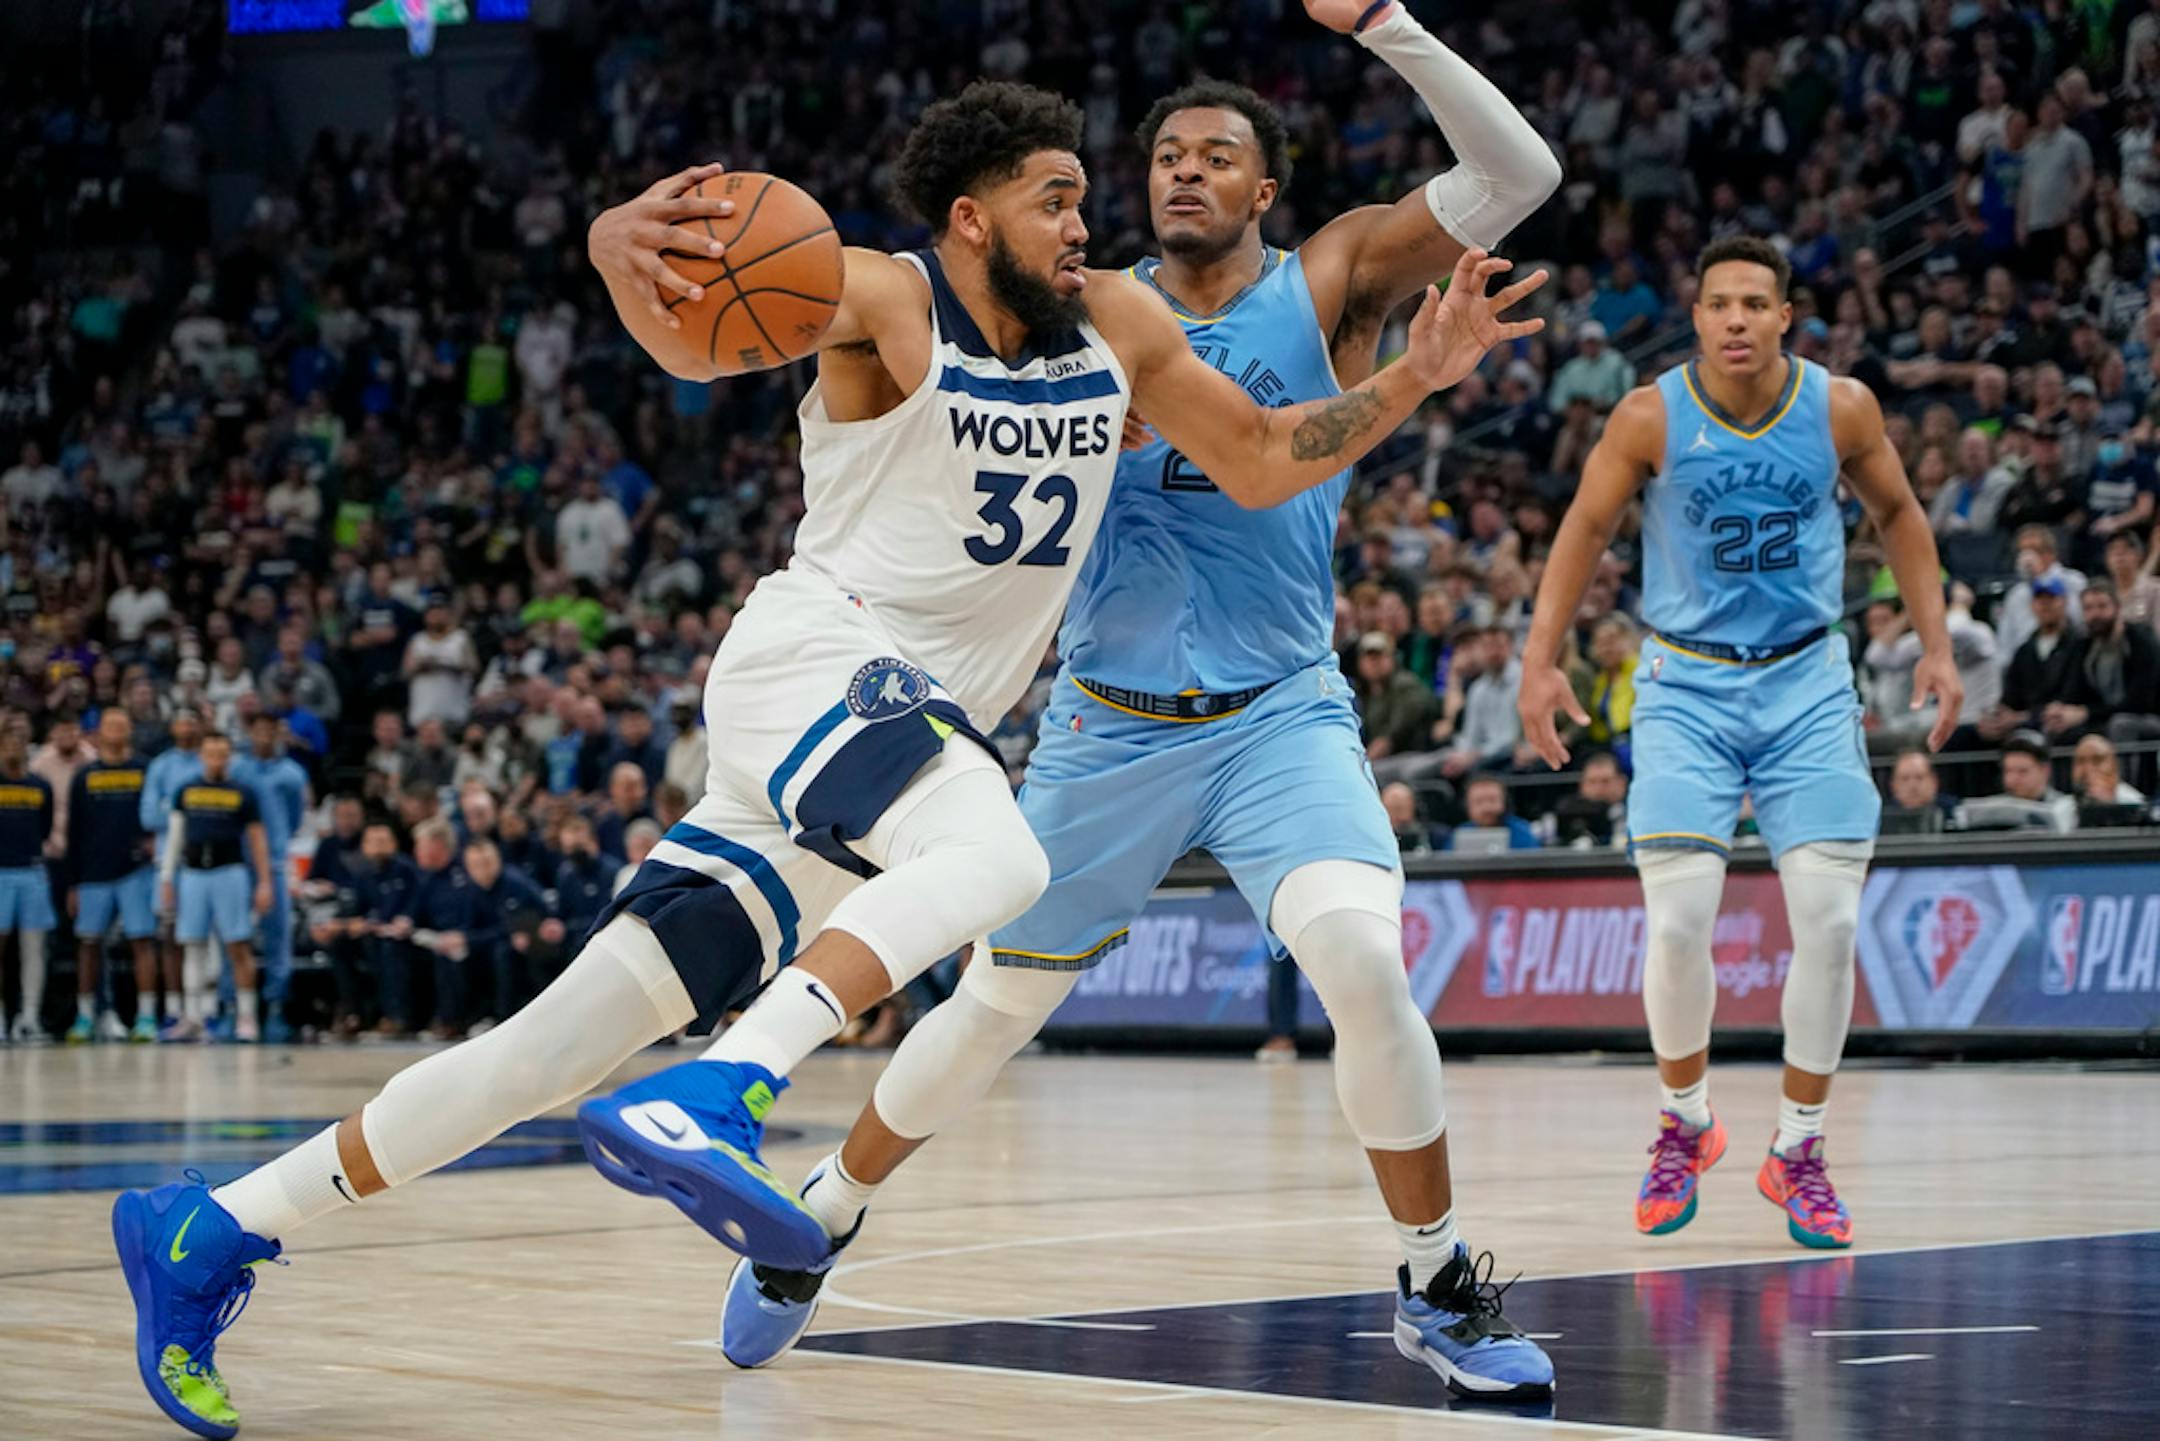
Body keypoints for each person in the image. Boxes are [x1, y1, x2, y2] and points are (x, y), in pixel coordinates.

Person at [110, 76, 1545, 1436]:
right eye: (1057, 198)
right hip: (817, 665)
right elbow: (689, 337)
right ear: (973, 217)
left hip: (881, 741)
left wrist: (1415, 376)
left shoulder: (1116, 326)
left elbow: (1265, 456)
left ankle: (214, 1226)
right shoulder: (879, 293)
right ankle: (719, 1092)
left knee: (543, 1052)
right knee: (993, 852)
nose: (1086, 221)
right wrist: (619, 247)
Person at [712, 12, 1559, 1396]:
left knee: (1362, 959)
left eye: (1218, 156)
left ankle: (1438, 1276)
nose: (1182, 173)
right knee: (985, 1015)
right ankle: (822, 1215)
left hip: (1280, 708)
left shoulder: (1331, 279)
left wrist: (1391, 27)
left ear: (1265, 192)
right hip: (1108, 725)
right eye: (1164, 154)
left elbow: (1517, 176)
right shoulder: (1076, 315)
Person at [1519, 235, 1962, 1252]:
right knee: (1677, 925)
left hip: (1807, 679)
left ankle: (1798, 1147)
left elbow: (1898, 512)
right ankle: (1686, 1122)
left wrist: (1934, 645)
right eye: (1716, 302)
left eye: (1752, 303)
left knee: (1832, 923)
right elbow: (1582, 530)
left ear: (1784, 319)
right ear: (1698, 317)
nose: (1732, 319)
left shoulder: (1841, 407)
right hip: (1685, 684)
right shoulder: (1649, 414)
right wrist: (1540, 661)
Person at [158, 731, 274, 1042]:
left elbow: (257, 839)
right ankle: (193, 1016)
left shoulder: (242, 792)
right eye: (211, 753)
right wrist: (167, 876)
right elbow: (175, 837)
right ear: (201, 756)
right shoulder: (187, 790)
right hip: (194, 874)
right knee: (192, 944)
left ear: (229, 757)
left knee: (237, 945)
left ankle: (246, 1017)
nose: (216, 760)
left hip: (230, 873)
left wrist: (264, 881)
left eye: (222, 754)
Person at [65, 711, 160, 1043]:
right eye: (110, 726)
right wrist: (72, 883)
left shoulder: (145, 769)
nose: (116, 731)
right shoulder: (85, 775)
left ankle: (146, 1016)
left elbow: (158, 816)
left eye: (122, 725)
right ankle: (85, 1015)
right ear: (99, 733)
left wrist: (154, 841)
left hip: (136, 871)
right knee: (89, 944)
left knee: (142, 942)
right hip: (93, 873)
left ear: (130, 730)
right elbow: (74, 832)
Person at [233, 712, 311, 1042]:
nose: (265, 736)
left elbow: (294, 819)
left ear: (280, 732)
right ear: (250, 732)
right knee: (235, 939)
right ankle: (232, 1007)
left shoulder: (293, 774)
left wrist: (277, 847)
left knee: (279, 939)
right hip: (237, 864)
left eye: (271, 730)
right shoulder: (237, 769)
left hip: (276, 864)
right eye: (259, 730)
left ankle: (276, 1008)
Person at [139, 704, 206, 1041]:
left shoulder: (209, 760)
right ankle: (173, 1010)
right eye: (182, 720)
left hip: (203, 863)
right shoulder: (161, 765)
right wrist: (188, 811)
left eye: (192, 719)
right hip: (168, 862)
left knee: (203, 937)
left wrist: (179, 809)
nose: (187, 726)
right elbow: (148, 816)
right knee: (168, 936)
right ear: (173, 727)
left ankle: (204, 1013)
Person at [0, 727, 57, 1044]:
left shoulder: (40, 786)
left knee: (33, 947)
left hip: (32, 872)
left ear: (27, 749)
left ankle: (30, 1017)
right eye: (5, 744)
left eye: (17, 744)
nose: (11, 750)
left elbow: (45, 828)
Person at [1443, 775, 1541, 849]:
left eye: (1492, 800)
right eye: (1479, 802)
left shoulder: (1523, 833)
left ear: (1504, 802)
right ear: (1468, 807)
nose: (1487, 808)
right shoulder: (1459, 835)